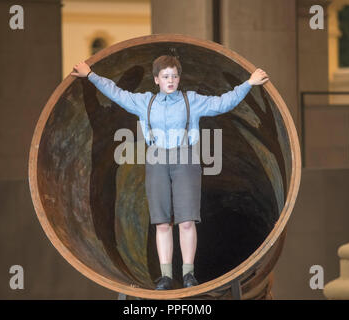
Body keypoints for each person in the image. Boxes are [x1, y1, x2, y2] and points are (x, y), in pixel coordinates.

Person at [71, 55, 269, 290]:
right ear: (156, 80)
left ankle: (188, 274)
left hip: (185, 157)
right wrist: (90, 75)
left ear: (179, 78)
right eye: (165, 76)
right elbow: (115, 92)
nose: (171, 80)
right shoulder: (145, 102)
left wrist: (248, 83)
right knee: (162, 222)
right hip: (156, 159)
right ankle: (165, 276)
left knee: (186, 220)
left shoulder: (191, 101)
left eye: (174, 76)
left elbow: (222, 103)